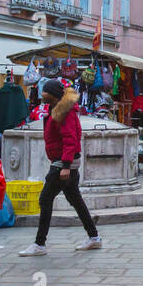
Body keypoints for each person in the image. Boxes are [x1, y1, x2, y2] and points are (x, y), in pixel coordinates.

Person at [19, 80, 101, 256]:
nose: (42, 94)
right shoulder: (57, 110)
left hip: (63, 164)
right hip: (66, 162)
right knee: (75, 199)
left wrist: (65, 165)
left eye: (45, 92)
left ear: (53, 94)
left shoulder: (65, 113)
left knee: (45, 199)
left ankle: (40, 243)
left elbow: (70, 139)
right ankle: (94, 238)